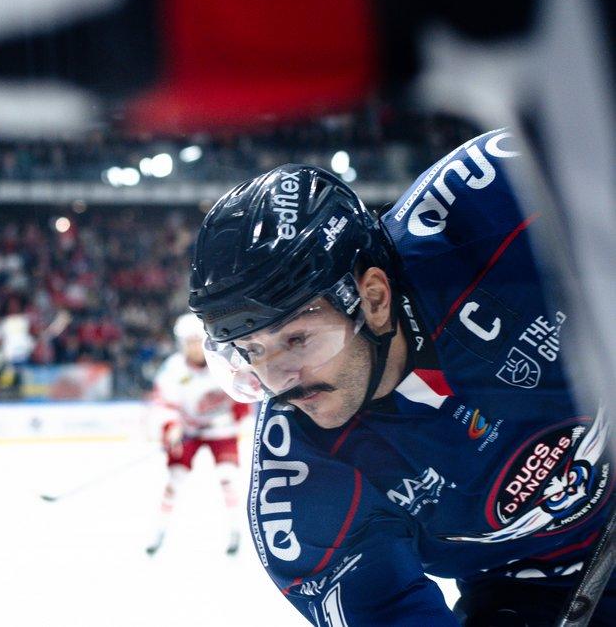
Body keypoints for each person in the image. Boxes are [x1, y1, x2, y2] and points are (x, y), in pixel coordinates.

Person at [188, 129, 613, 625]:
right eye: (252, 351)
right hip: (534, 586)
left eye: (297, 339)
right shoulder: (300, 483)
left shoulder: (495, 201)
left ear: (372, 298)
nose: (280, 381)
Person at [145, 313, 253, 557]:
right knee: (175, 478)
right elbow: (163, 403)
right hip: (189, 431)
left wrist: (234, 418)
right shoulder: (173, 368)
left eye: (196, 340)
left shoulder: (224, 360)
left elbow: (245, 393)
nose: (193, 347)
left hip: (222, 431)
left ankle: (235, 531)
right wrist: (172, 426)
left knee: (227, 478)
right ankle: (159, 530)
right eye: (188, 342)